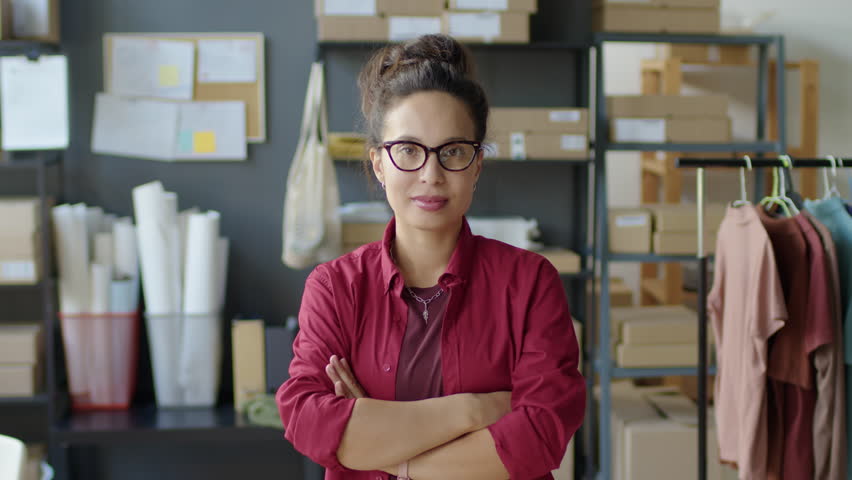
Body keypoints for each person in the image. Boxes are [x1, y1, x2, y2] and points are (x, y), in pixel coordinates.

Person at [277, 34, 585, 480]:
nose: (431, 175)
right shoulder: (336, 286)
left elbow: (539, 435)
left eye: (453, 151)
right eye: (407, 150)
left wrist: (383, 448)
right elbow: (307, 419)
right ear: (379, 164)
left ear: (477, 164)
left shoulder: (530, 282)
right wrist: (474, 410)